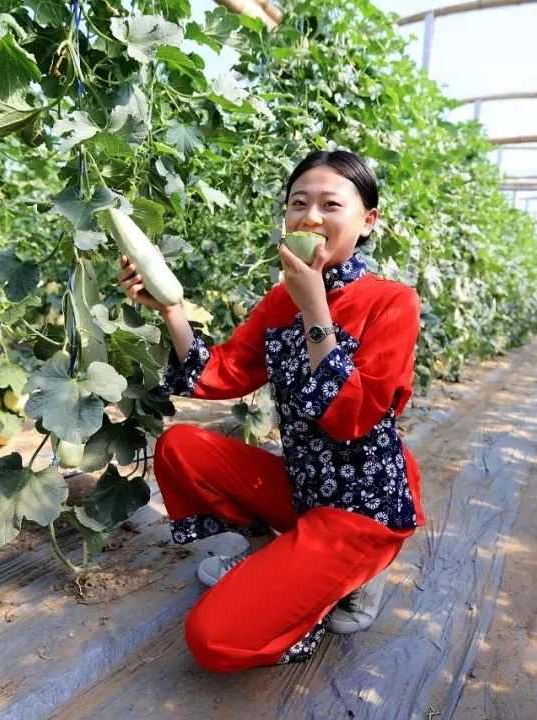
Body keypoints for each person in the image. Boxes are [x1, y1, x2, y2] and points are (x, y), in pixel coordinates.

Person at [116, 149, 424, 672]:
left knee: (212, 638)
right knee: (179, 447)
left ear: (368, 221)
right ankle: (268, 554)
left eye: (331, 205)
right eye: (298, 204)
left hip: (361, 507)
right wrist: (170, 308)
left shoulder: (392, 302)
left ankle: (346, 580)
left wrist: (315, 310)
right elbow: (222, 373)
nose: (311, 217)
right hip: (303, 488)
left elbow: (351, 418)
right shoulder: (281, 302)